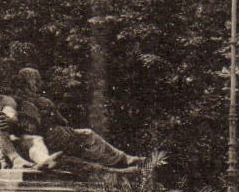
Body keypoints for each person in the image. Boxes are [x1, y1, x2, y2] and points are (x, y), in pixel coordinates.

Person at [12, 67, 143, 171]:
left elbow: (62, 120)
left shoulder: (43, 100)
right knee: (88, 138)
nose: (39, 83)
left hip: (59, 133)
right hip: (47, 138)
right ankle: (121, 160)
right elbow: (29, 127)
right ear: (28, 82)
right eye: (36, 80)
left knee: (88, 135)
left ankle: (122, 158)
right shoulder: (20, 101)